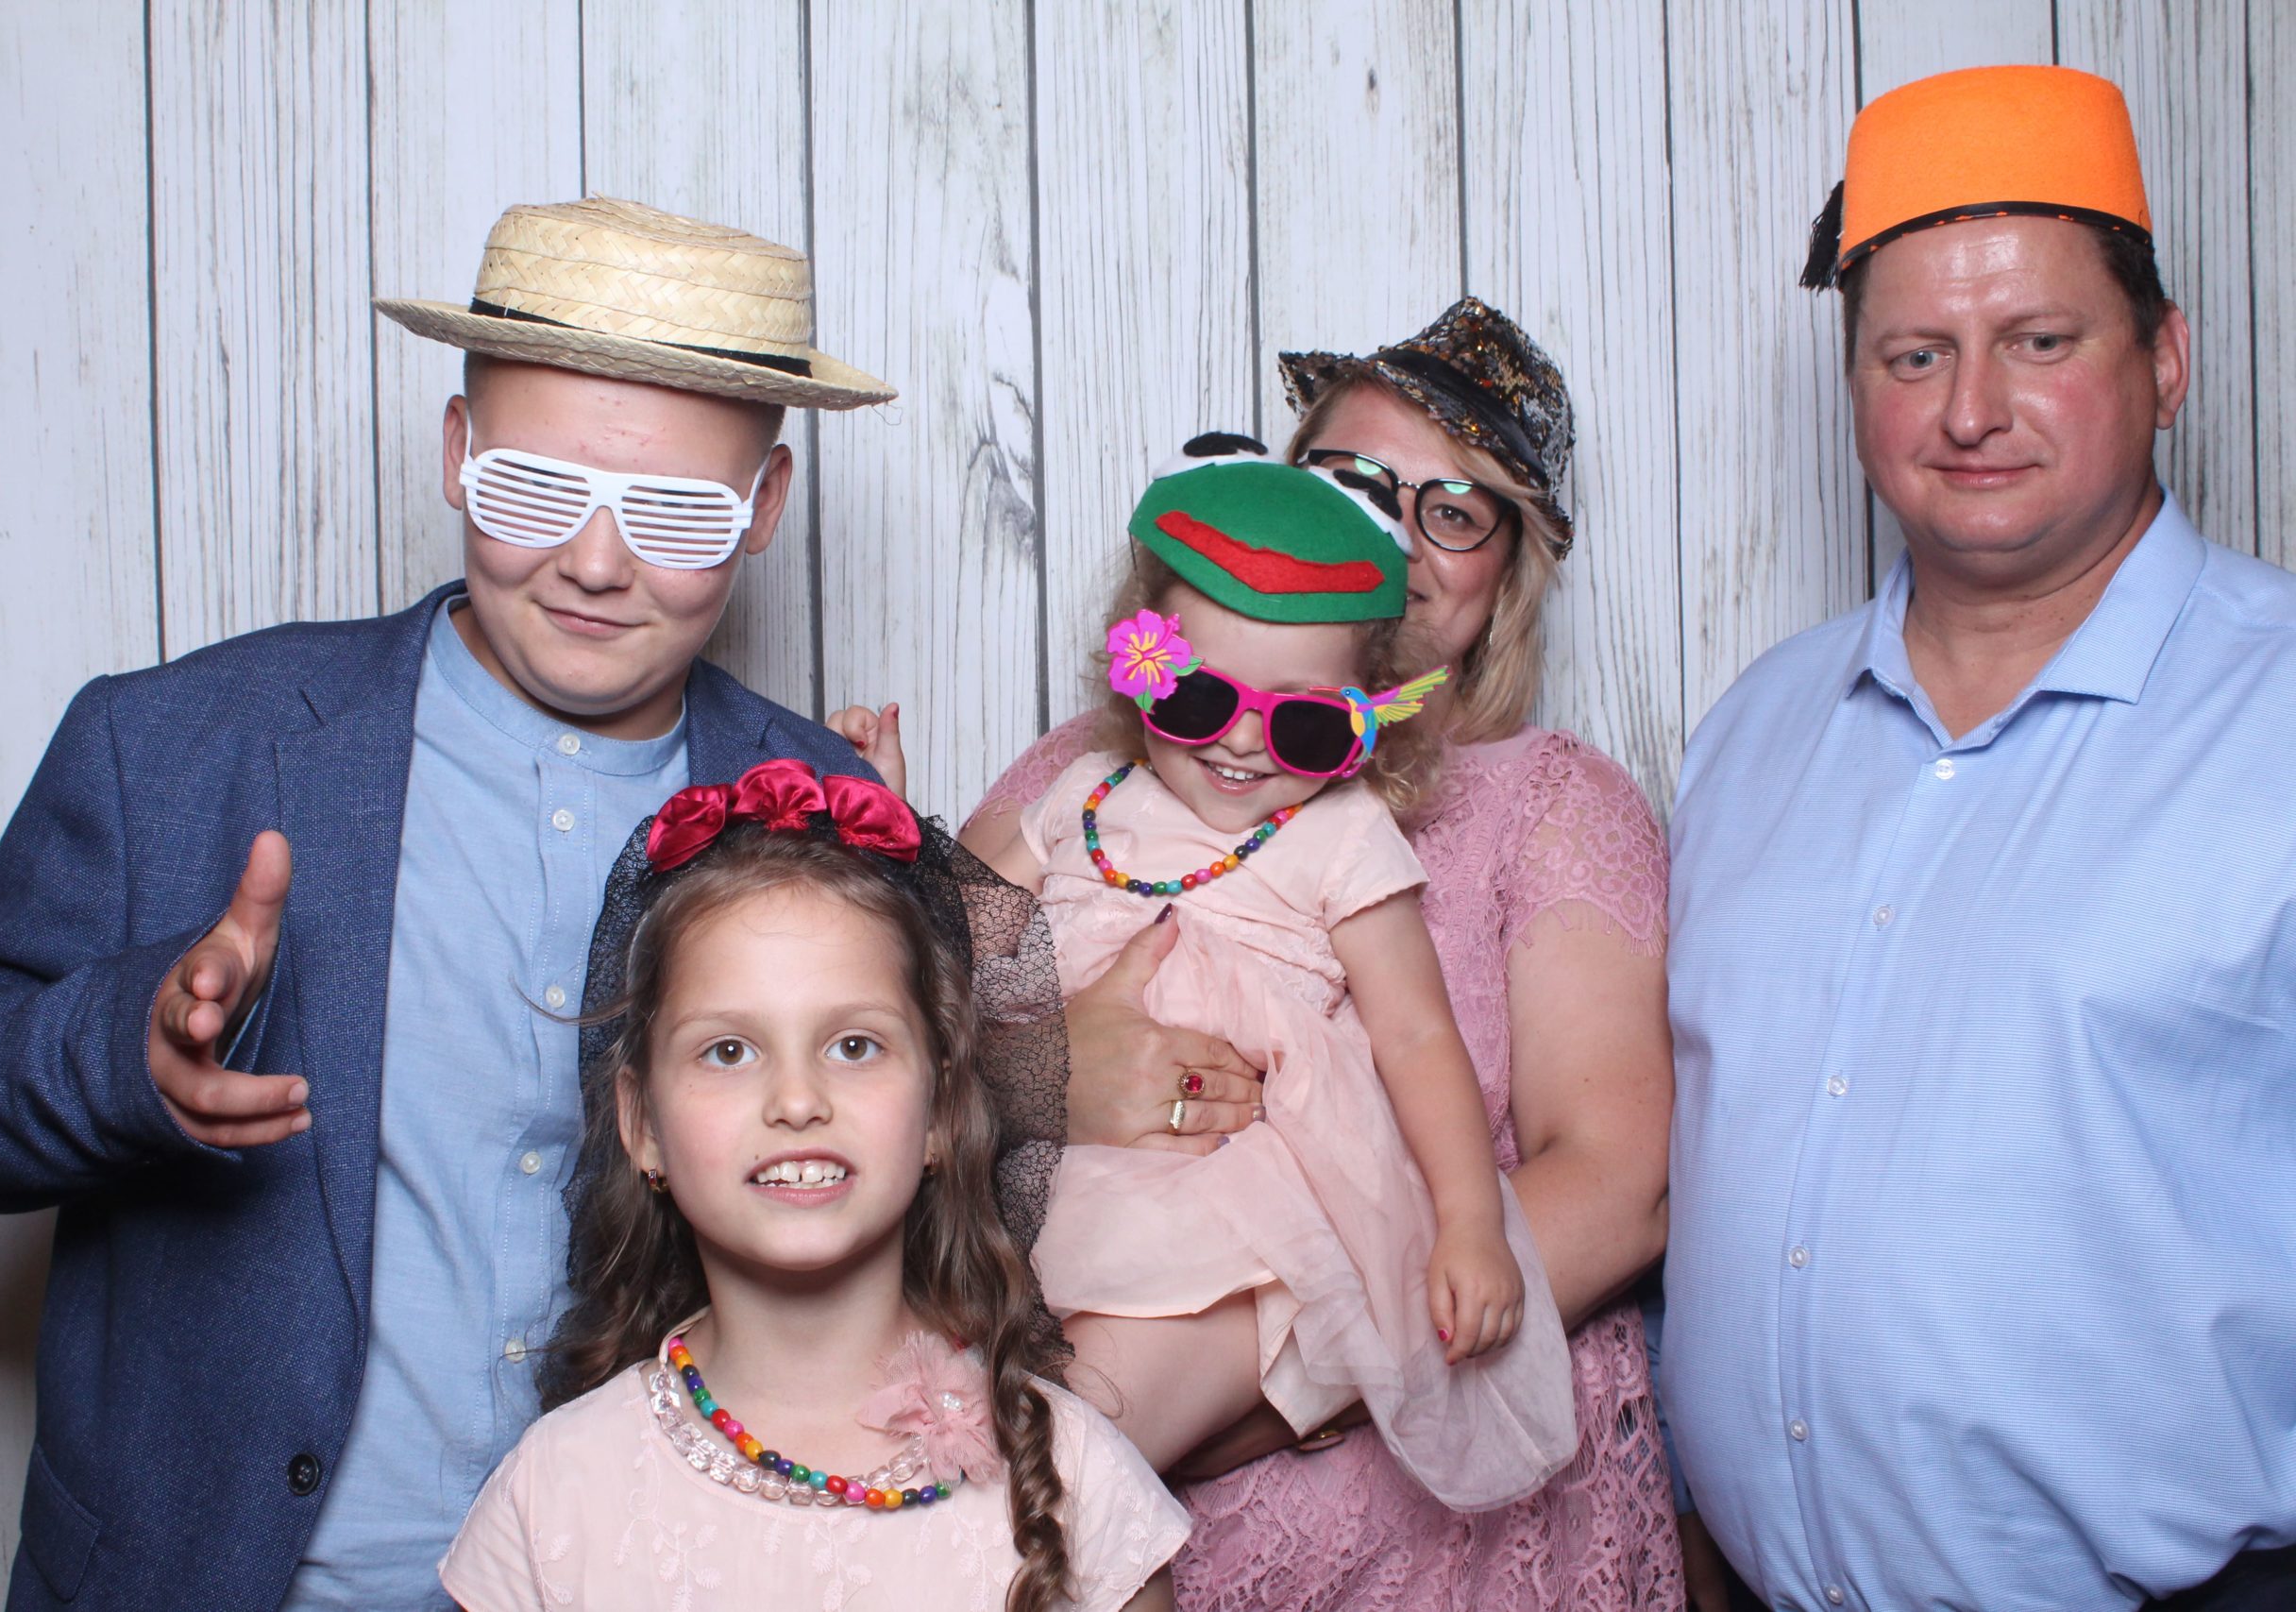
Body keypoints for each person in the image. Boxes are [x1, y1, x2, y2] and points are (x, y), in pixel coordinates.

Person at [0, 198, 892, 1610]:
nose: (596, 562)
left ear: (765, 506)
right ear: (458, 453)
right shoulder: (174, 742)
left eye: (673, 512)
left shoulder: (825, 806)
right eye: (535, 489)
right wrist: (126, 1053)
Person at [847, 300, 1680, 1608]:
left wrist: (1294, 1364)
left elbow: (1617, 1185)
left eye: (1453, 508)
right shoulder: (1096, 768)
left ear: (1512, 563)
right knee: (918, 1485)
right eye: (1351, 480)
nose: (1393, 529)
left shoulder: (1544, 800)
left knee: (1017, 1488)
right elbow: (913, 983)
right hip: (1061, 1270)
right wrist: (1039, 1068)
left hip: (1377, 1471)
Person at [1663, 66, 2296, 1610]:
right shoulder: (1754, 732)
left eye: (2040, 342)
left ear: (2166, 360)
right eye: (1916, 354)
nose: (1969, 411)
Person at [963, 448, 1579, 1504]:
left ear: (1365, 718)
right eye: (1200, 700)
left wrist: (1471, 1219)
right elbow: (940, 945)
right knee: (942, 1418)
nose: (1245, 742)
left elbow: (1416, 1037)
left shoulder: (1340, 839)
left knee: (1061, 1458)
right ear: (1140, 667)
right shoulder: (1082, 797)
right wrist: (878, 844)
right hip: (1029, 1186)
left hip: (1224, 1212)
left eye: (1303, 721)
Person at [441, 759, 1187, 1610]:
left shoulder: (1079, 1480)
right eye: (728, 1050)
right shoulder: (552, 1495)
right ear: (642, 1123)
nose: (797, 1101)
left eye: (854, 1046)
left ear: (941, 1108)